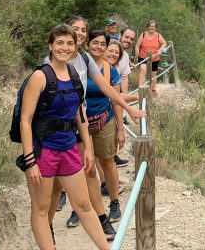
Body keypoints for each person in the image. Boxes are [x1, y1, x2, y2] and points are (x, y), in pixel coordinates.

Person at [47, 16, 145, 240]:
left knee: (89, 170)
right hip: (57, 129)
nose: (80, 33)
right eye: (75, 30)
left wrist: (128, 110)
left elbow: (108, 89)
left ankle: (101, 219)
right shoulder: (50, 62)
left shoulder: (84, 59)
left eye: (83, 30)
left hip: (80, 124)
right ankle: (48, 226)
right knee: (56, 183)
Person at [20, 24, 110, 250]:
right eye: (59, 43)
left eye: (69, 43)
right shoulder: (40, 77)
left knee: (83, 204)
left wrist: (88, 147)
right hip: (44, 151)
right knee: (41, 210)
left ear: (76, 46)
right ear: (50, 46)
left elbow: (80, 113)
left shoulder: (74, 74)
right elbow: (25, 120)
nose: (65, 47)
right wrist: (30, 161)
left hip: (69, 148)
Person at [82, 31, 134, 224]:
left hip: (105, 120)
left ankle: (114, 203)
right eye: (95, 43)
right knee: (86, 167)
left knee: (107, 163)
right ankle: (88, 206)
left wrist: (121, 129)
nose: (98, 47)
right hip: (80, 123)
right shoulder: (77, 66)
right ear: (88, 45)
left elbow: (116, 100)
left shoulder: (110, 71)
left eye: (102, 44)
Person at [105, 36, 133, 167]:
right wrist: (135, 99)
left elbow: (115, 96)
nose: (114, 55)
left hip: (104, 115)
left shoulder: (113, 71)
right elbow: (115, 97)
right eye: (110, 51)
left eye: (117, 53)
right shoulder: (92, 69)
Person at [135, 20, 167, 97]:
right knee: (143, 71)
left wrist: (160, 50)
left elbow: (164, 43)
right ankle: (140, 89)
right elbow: (137, 45)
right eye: (150, 26)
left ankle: (153, 90)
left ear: (156, 28)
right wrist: (137, 51)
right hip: (143, 57)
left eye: (153, 27)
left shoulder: (158, 35)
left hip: (154, 58)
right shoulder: (143, 35)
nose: (151, 28)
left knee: (153, 74)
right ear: (147, 27)